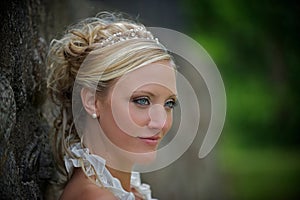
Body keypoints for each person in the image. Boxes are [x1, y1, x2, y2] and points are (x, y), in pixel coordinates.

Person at [47, 12, 177, 200]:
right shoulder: (95, 197)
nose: (160, 122)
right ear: (92, 101)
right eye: (142, 101)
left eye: (169, 103)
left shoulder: (127, 191)